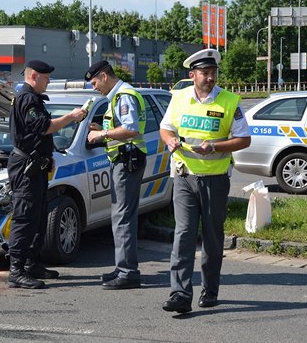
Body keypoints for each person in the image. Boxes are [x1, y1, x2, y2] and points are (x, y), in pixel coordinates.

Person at [159, 49, 251, 313]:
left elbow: (244, 139)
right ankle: (179, 294)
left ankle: (210, 290)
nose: (211, 78)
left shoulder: (229, 101)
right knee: (184, 235)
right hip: (184, 177)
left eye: (213, 73)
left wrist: (214, 147)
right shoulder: (178, 98)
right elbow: (166, 128)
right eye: (205, 73)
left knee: (212, 238)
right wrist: (170, 140)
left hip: (215, 180)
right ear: (192, 75)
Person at [7, 60, 87, 289]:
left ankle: (31, 264)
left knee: (39, 216)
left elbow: (37, 136)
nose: (49, 81)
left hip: (36, 164)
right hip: (25, 167)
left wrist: (47, 154)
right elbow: (44, 127)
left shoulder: (32, 98)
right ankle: (16, 270)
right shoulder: (27, 98)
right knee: (25, 217)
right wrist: (71, 117)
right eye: (46, 77)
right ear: (34, 76)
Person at [85, 60, 147, 290]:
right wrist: (99, 129)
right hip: (124, 160)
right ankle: (123, 267)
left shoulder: (123, 97)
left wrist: (100, 135)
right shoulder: (118, 97)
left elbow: (131, 129)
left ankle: (128, 272)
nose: (93, 88)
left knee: (122, 217)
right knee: (121, 216)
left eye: (94, 83)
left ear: (103, 76)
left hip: (126, 160)